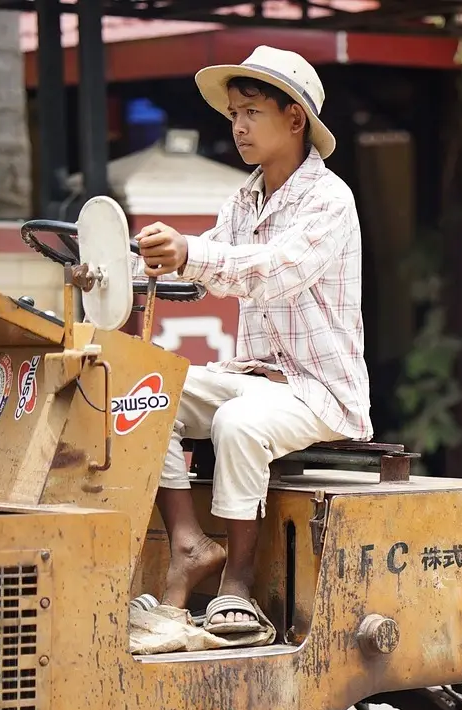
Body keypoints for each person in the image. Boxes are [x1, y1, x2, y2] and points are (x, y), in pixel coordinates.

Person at [129, 46, 371, 640]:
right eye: (233, 113)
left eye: (252, 112)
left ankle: (236, 585)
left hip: (321, 390)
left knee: (239, 422)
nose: (237, 126)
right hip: (254, 374)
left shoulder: (329, 200)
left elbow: (272, 267)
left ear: (295, 120)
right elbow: (206, 262)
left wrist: (190, 251)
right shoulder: (244, 198)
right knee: (142, 393)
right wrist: (132, 260)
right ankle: (188, 544)